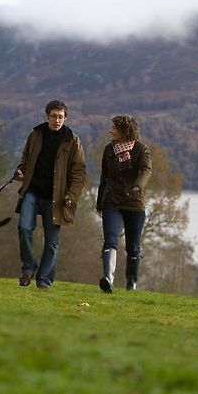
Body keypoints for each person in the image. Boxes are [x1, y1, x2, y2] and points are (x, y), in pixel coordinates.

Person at [14, 100, 86, 289]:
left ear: (65, 118)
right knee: (23, 228)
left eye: (61, 117)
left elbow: (79, 172)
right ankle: (28, 269)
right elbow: (26, 157)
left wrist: (72, 195)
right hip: (32, 192)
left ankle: (44, 280)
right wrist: (21, 170)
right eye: (54, 116)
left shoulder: (72, 140)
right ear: (47, 116)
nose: (57, 120)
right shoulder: (36, 134)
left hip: (57, 198)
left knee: (51, 242)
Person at [96, 115, 152, 293]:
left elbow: (146, 170)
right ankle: (108, 279)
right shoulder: (108, 150)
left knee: (133, 247)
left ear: (123, 130)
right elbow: (104, 178)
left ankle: (131, 282)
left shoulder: (141, 149)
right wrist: (99, 203)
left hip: (135, 204)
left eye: (113, 128)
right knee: (110, 240)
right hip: (112, 202)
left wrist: (138, 185)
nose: (110, 130)